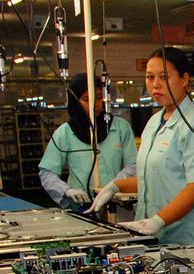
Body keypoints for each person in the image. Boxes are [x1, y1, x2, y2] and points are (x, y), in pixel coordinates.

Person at [88, 47, 194, 245]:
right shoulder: (153, 122)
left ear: (184, 79)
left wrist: (158, 220)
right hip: (157, 236)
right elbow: (151, 176)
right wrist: (115, 186)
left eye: (164, 77)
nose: (156, 85)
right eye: (150, 77)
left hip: (189, 238)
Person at [39, 73, 136, 209]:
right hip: (81, 207)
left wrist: (114, 186)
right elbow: (47, 172)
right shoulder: (65, 132)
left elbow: (133, 165)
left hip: (117, 204)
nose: (94, 104)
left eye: (98, 98)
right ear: (75, 101)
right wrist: (67, 191)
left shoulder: (120, 127)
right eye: (86, 99)